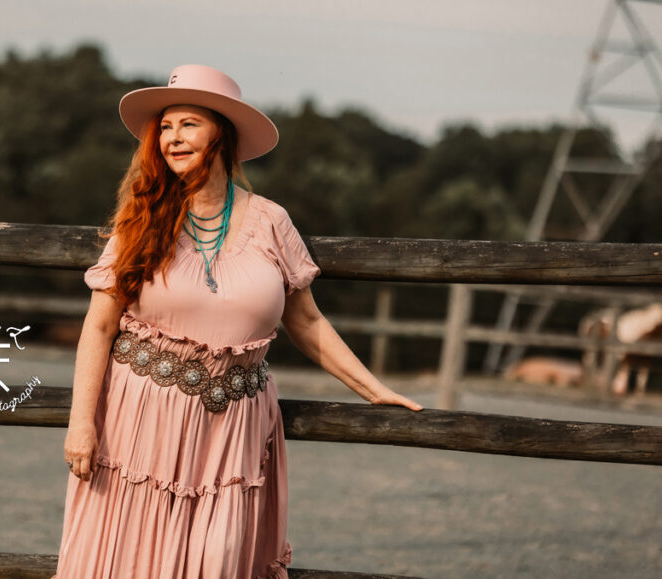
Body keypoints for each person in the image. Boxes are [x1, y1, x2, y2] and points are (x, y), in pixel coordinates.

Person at [54, 64, 422, 578]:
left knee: (220, 557)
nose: (172, 138)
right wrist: (80, 425)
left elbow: (308, 322)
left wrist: (372, 388)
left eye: (189, 124)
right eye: (165, 126)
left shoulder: (271, 221)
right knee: (130, 560)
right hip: (137, 425)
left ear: (222, 135)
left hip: (233, 431)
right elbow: (98, 327)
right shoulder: (140, 219)